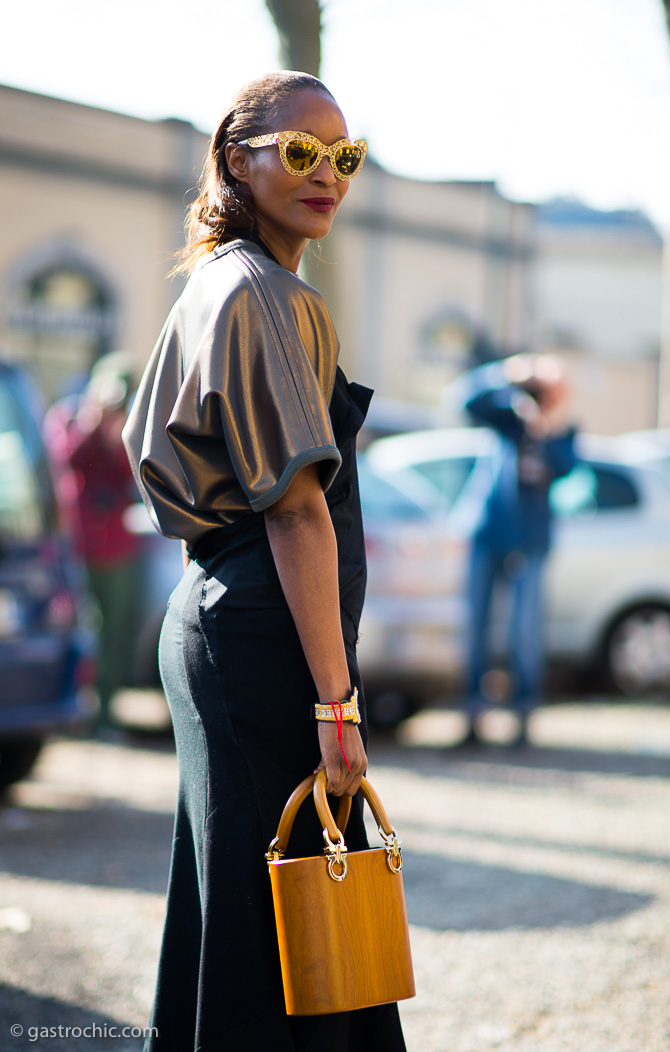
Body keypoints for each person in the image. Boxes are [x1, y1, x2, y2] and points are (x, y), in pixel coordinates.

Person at [122, 72, 406, 1052]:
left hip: (217, 615)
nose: (326, 172)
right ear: (236, 159)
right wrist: (338, 703)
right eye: (298, 151)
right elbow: (297, 513)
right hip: (261, 632)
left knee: (241, 908)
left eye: (344, 156)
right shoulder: (268, 294)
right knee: (290, 920)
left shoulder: (215, 283)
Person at [461, 353, 576, 746]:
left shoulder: (562, 432)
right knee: (475, 627)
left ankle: (524, 719)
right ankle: (474, 716)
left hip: (530, 541)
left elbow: (567, 468)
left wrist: (547, 424)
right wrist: (508, 372)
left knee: (523, 631)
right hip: (488, 533)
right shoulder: (505, 419)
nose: (536, 395)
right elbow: (464, 399)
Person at [56, 354, 139, 730]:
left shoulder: (130, 427)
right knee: (75, 628)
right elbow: (63, 459)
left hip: (118, 549)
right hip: (79, 545)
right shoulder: (72, 418)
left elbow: (138, 475)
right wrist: (92, 424)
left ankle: (105, 713)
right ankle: (71, 709)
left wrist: (118, 437)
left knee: (115, 632)